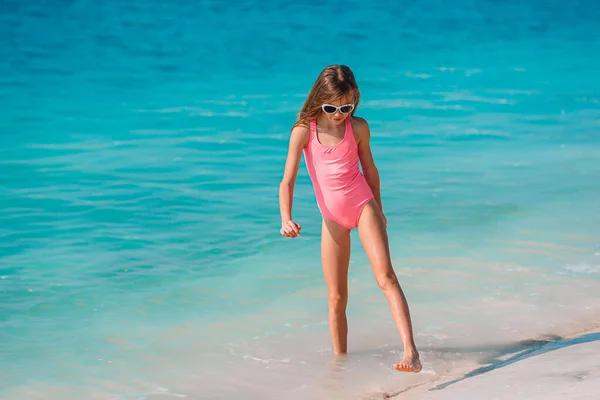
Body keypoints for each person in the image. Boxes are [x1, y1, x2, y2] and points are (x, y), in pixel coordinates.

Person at [278, 64, 422, 373]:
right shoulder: (304, 130)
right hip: (331, 218)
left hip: (362, 205)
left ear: (354, 100)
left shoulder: (358, 128)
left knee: (386, 277)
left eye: (347, 107)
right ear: (320, 100)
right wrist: (285, 218)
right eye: (331, 107)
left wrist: (379, 210)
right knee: (336, 297)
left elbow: (370, 170)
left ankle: (411, 351)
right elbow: (287, 180)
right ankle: (340, 367)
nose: (339, 113)